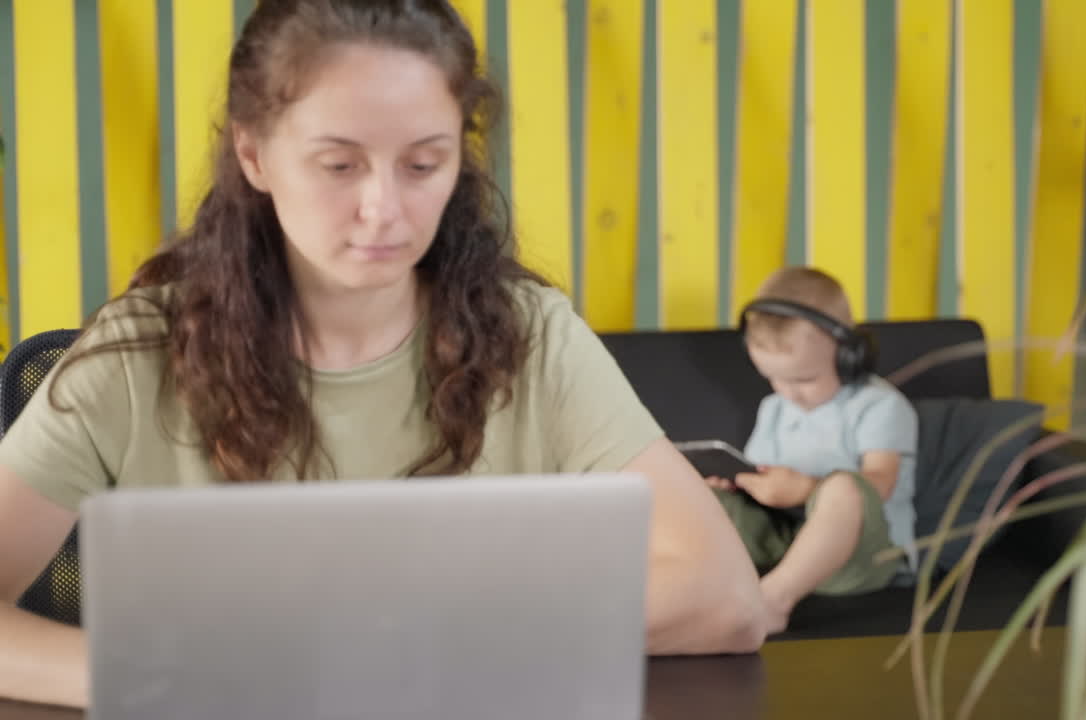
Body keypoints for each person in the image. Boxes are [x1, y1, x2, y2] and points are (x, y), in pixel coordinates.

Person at [0, 0, 767, 708]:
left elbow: (726, 597)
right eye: (339, 165)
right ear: (255, 154)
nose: (385, 210)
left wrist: (405, 649)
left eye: (423, 164)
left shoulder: (530, 334)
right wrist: (169, 678)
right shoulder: (136, 356)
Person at [707, 267, 919, 634]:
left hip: (861, 557)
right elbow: (764, 477)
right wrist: (741, 489)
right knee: (700, 497)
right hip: (788, 543)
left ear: (849, 355)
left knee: (845, 488)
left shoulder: (879, 406)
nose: (788, 392)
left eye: (804, 379)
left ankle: (773, 601)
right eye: (773, 378)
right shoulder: (774, 409)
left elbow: (879, 484)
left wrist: (806, 490)